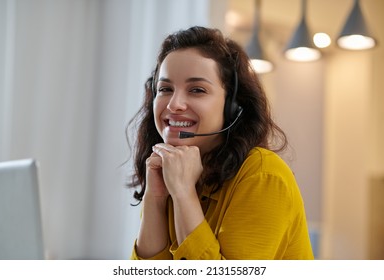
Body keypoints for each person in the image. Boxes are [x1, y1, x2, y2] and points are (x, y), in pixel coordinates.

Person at [127, 26, 314, 260]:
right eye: (165, 89)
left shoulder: (264, 175)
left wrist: (184, 194)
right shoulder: (172, 171)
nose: (174, 104)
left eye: (197, 90)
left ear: (232, 107)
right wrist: (155, 199)